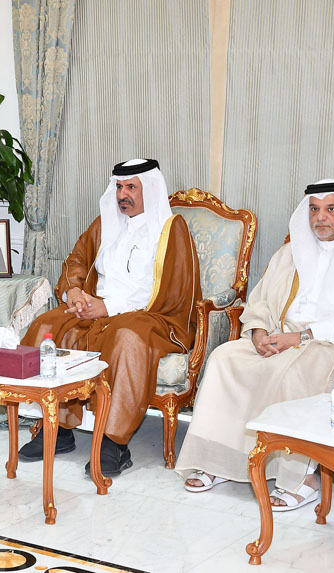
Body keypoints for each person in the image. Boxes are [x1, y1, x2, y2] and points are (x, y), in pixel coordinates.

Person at [175, 179, 334, 511]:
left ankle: (300, 478)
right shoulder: (290, 252)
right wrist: (258, 332)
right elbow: (261, 300)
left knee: (293, 370)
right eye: (314, 209)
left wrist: (301, 337)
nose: (321, 217)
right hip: (281, 335)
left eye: (331, 209)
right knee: (224, 359)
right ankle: (220, 461)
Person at [18, 159, 201, 476]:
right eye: (118, 187)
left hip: (151, 315)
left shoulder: (171, 229)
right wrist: (75, 293)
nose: (122, 195)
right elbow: (77, 260)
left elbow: (171, 289)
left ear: (149, 189)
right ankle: (57, 427)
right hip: (97, 308)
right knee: (47, 324)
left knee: (126, 337)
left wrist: (108, 308)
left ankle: (113, 442)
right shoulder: (104, 224)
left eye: (131, 187)